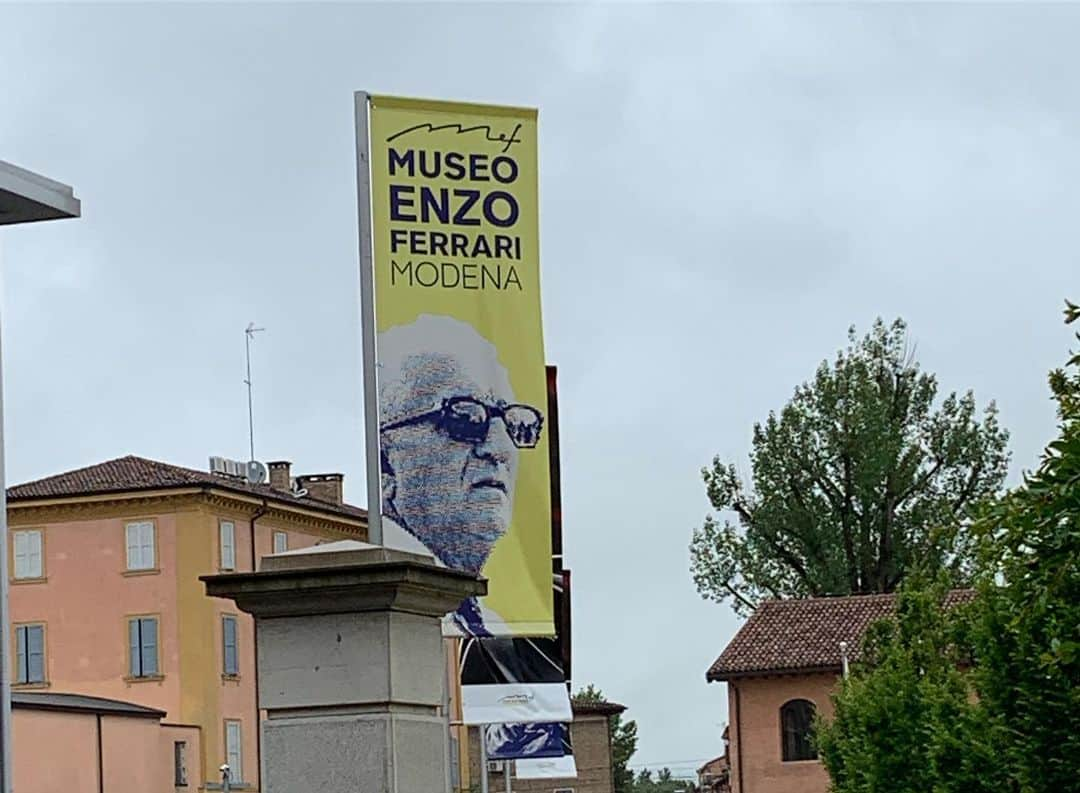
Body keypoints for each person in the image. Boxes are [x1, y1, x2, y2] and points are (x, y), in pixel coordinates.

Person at [377, 314, 544, 636]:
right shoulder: (397, 609)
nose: (498, 447)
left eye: (513, 422)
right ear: (386, 462)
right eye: (466, 417)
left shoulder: (487, 619)